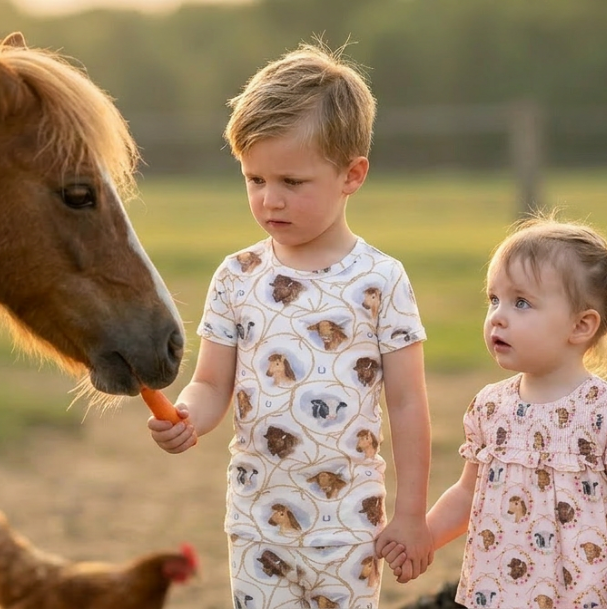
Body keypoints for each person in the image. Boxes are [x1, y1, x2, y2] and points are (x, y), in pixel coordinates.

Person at [146, 43, 435, 609]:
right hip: (257, 525)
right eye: (254, 179)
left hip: (349, 525)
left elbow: (407, 404)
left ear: (352, 175)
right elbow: (210, 384)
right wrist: (189, 418)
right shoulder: (236, 276)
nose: (268, 199)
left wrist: (410, 514)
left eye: (292, 182)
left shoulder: (381, 280)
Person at [388, 215, 607, 609]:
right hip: (502, 589)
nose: (498, 316)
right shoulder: (490, 407)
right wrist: (424, 536)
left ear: (581, 325)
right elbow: (468, 494)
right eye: (494, 299)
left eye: (521, 302)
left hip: (584, 593)